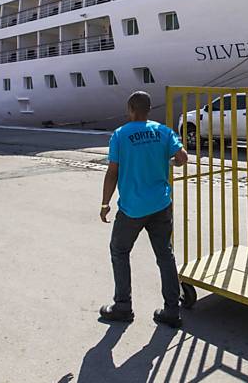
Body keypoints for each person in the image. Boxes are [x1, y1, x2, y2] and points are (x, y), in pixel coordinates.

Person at [98, 91, 188, 327]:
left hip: (132, 208)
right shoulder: (163, 131)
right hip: (160, 204)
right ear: (149, 109)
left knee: (119, 250)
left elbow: (113, 172)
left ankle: (123, 306)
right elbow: (182, 157)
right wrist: (171, 161)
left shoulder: (120, 135)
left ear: (130, 108)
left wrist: (105, 203)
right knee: (164, 255)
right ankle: (172, 310)